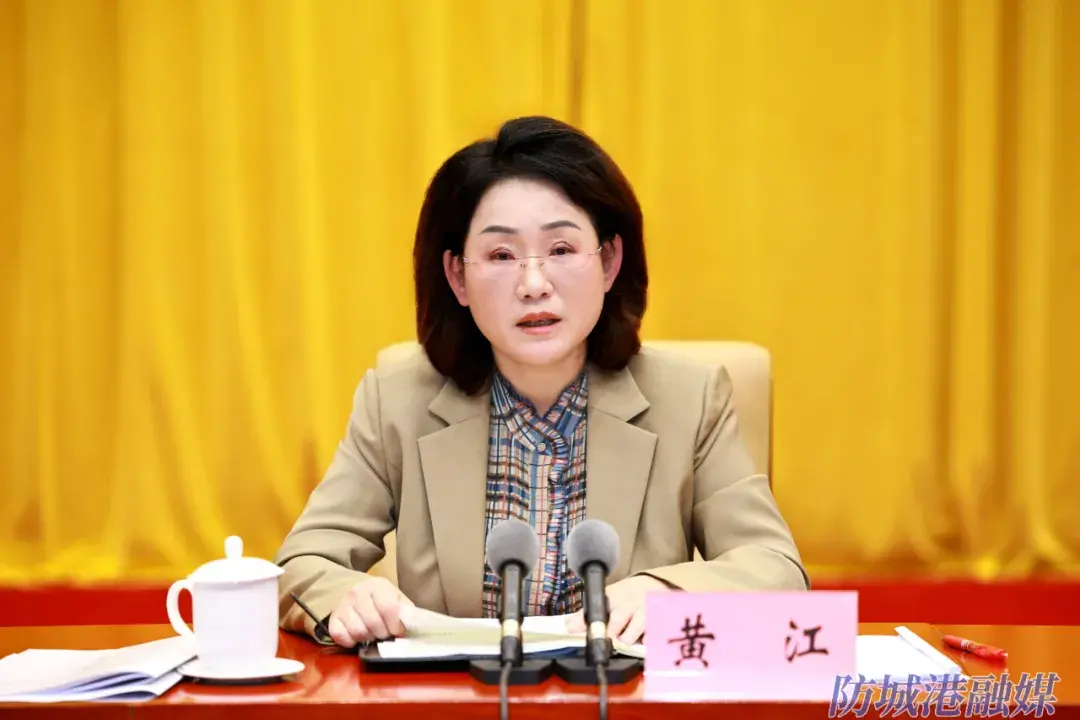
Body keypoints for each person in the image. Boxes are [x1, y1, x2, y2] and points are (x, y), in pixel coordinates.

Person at [274, 115, 808, 649]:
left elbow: (775, 569)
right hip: (459, 692)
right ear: (458, 277)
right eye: (501, 256)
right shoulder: (397, 400)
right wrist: (347, 596)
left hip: (623, 692)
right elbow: (304, 561)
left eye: (561, 250)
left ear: (609, 261)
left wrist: (668, 592)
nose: (533, 285)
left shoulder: (691, 399)